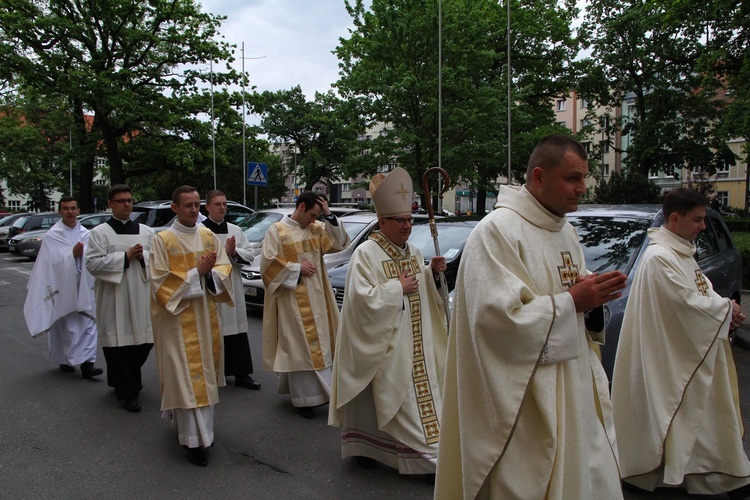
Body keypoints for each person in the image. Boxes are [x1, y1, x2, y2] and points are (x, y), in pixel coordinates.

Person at [435, 134, 628, 499]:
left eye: (584, 178)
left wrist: (589, 299)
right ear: (539, 177)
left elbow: (574, 301)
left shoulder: (566, 231)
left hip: (572, 386)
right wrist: (571, 301)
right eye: (572, 178)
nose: (582, 188)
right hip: (524, 402)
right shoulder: (497, 232)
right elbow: (494, 323)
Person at [611, 187, 750, 498]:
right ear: (675, 218)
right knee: (682, 416)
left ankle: (703, 473)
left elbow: (701, 293)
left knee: (698, 419)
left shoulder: (681, 251)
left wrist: (726, 308)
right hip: (673, 359)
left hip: (691, 353)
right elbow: (684, 306)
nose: (703, 226)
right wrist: (726, 309)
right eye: (698, 219)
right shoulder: (661, 257)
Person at [328, 167, 448, 479]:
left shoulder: (413, 250)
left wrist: (431, 274)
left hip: (412, 339)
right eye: (400, 221)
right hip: (382, 340)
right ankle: (371, 450)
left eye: (409, 220)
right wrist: (397, 289)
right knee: (389, 397)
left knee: (409, 397)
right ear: (382, 222)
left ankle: (418, 457)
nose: (407, 226)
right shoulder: (366, 254)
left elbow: (417, 282)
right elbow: (359, 299)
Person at [149, 186, 233, 467]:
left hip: (205, 317)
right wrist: (197, 273)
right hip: (177, 323)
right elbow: (159, 284)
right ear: (175, 208)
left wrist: (210, 276)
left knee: (204, 376)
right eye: (188, 206)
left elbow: (223, 269)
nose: (195, 210)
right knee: (184, 377)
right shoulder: (163, 240)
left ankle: (203, 433)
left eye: (197, 205)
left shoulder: (208, 236)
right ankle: (192, 439)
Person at [260, 190, 350, 419]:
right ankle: (304, 400)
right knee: (299, 347)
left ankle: (326, 394)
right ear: (301, 207)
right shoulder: (277, 231)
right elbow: (267, 266)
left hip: (319, 297)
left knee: (321, 343)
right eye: (313, 214)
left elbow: (339, 244)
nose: (314, 219)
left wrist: (329, 216)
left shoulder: (317, 229)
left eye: (318, 216)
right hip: (292, 300)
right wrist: (296, 269)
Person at [85, 185, 155, 412]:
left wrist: (142, 256)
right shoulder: (99, 233)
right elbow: (93, 264)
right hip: (114, 298)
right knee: (119, 345)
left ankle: (124, 379)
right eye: (121, 201)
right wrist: (124, 257)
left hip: (142, 295)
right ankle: (128, 393)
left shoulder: (147, 232)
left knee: (144, 342)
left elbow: (158, 261)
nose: (127, 204)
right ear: (110, 204)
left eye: (129, 200)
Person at [24, 196, 103, 379]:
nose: (70, 212)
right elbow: (48, 263)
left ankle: (87, 364)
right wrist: (70, 255)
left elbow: (93, 257)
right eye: (66, 208)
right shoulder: (53, 235)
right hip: (62, 286)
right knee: (66, 326)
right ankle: (65, 360)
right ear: (60, 211)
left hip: (84, 285)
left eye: (73, 208)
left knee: (89, 323)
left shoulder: (86, 233)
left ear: (78, 210)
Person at [201, 189, 261, 390]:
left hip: (232, 286)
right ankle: (215, 373)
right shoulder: (200, 232)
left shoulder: (235, 230)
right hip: (211, 289)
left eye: (225, 204)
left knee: (237, 330)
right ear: (208, 207)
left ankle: (242, 374)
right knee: (214, 331)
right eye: (217, 204)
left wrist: (234, 253)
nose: (222, 207)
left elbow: (250, 254)